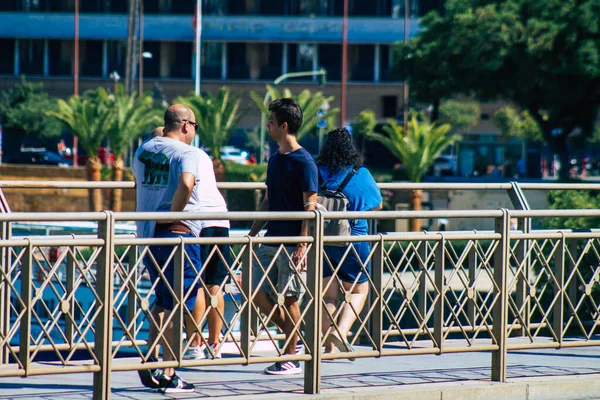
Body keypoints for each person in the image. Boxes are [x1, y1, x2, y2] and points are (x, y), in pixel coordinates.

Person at [133, 104, 229, 393]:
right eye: (195, 127)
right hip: (179, 236)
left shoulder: (143, 150)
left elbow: (137, 182)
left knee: (162, 301)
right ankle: (169, 372)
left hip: (148, 235)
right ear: (186, 125)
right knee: (179, 307)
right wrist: (175, 214)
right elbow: (187, 183)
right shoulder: (186, 153)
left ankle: (149, 362)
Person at [248, 98, 318, 375]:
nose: (268, 126)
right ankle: (295, 338)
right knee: (256, 295)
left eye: (272, 122)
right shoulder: (274, 159)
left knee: (290, 299)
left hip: (291, 242)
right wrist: (252, 232)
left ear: (284, 126)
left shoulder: (305, 162)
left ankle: (290, 354)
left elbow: (310, 207)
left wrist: (303, 243)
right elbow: (268, 199)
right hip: (270, 239)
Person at [315, 128, 382, 355]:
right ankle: (341, 333)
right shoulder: (360, 174)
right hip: (354, 240)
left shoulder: (317, 172)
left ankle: (327, 347)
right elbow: (378, 203)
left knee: (328, 295)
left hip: (322, 241)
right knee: (358, 290)